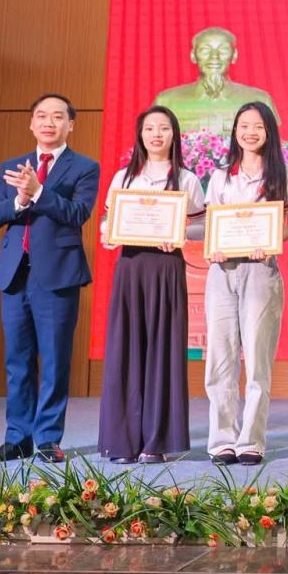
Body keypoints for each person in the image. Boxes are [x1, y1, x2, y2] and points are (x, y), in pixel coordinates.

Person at [0, 93, 100, 464]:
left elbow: (77, 213)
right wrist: (19, 201)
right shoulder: (12, 166)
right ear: (31, 123)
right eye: (42, 116)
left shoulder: (85, 167)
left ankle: (48, 438)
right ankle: (17, 438)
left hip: (57, 275)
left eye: (58, 116)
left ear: (70, 125)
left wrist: (39, 192)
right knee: (17, 361)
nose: (49, 122)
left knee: (55, 360)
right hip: (14, 275)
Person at [96, 105, 204, 464]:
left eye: (164, 128)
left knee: (163, 349)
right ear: (140, 135)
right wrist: (110, 234)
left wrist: (179, 233)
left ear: (174, 135)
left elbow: (202, 226)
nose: (156, 134)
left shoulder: (186, 179)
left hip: (166, 267)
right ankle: (123, 441)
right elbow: (107, 223)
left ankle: (156, 441)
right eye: (149, 129)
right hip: (131, 267)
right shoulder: (124, 178)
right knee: (126, 349)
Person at [204, 100, 288, 466]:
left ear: (269, 131)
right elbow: (213, 224)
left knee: (258, 359)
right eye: (244, 125)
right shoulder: (220, 176)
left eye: (258, 126)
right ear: (235, 131)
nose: (250, 132)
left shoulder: (284, 174)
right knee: (220, 359)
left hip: (261, 271)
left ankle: (252, 440)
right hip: (222, 272)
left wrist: (271, 242)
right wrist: (213, 246)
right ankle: (222, 439)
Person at [154, 26, 279, 134]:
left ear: (234, 56)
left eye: (223, 50)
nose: (214, 56)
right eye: (205, 50)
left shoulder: (259, 100)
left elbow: (271, 146)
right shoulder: (167, 101)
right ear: (193, 56)